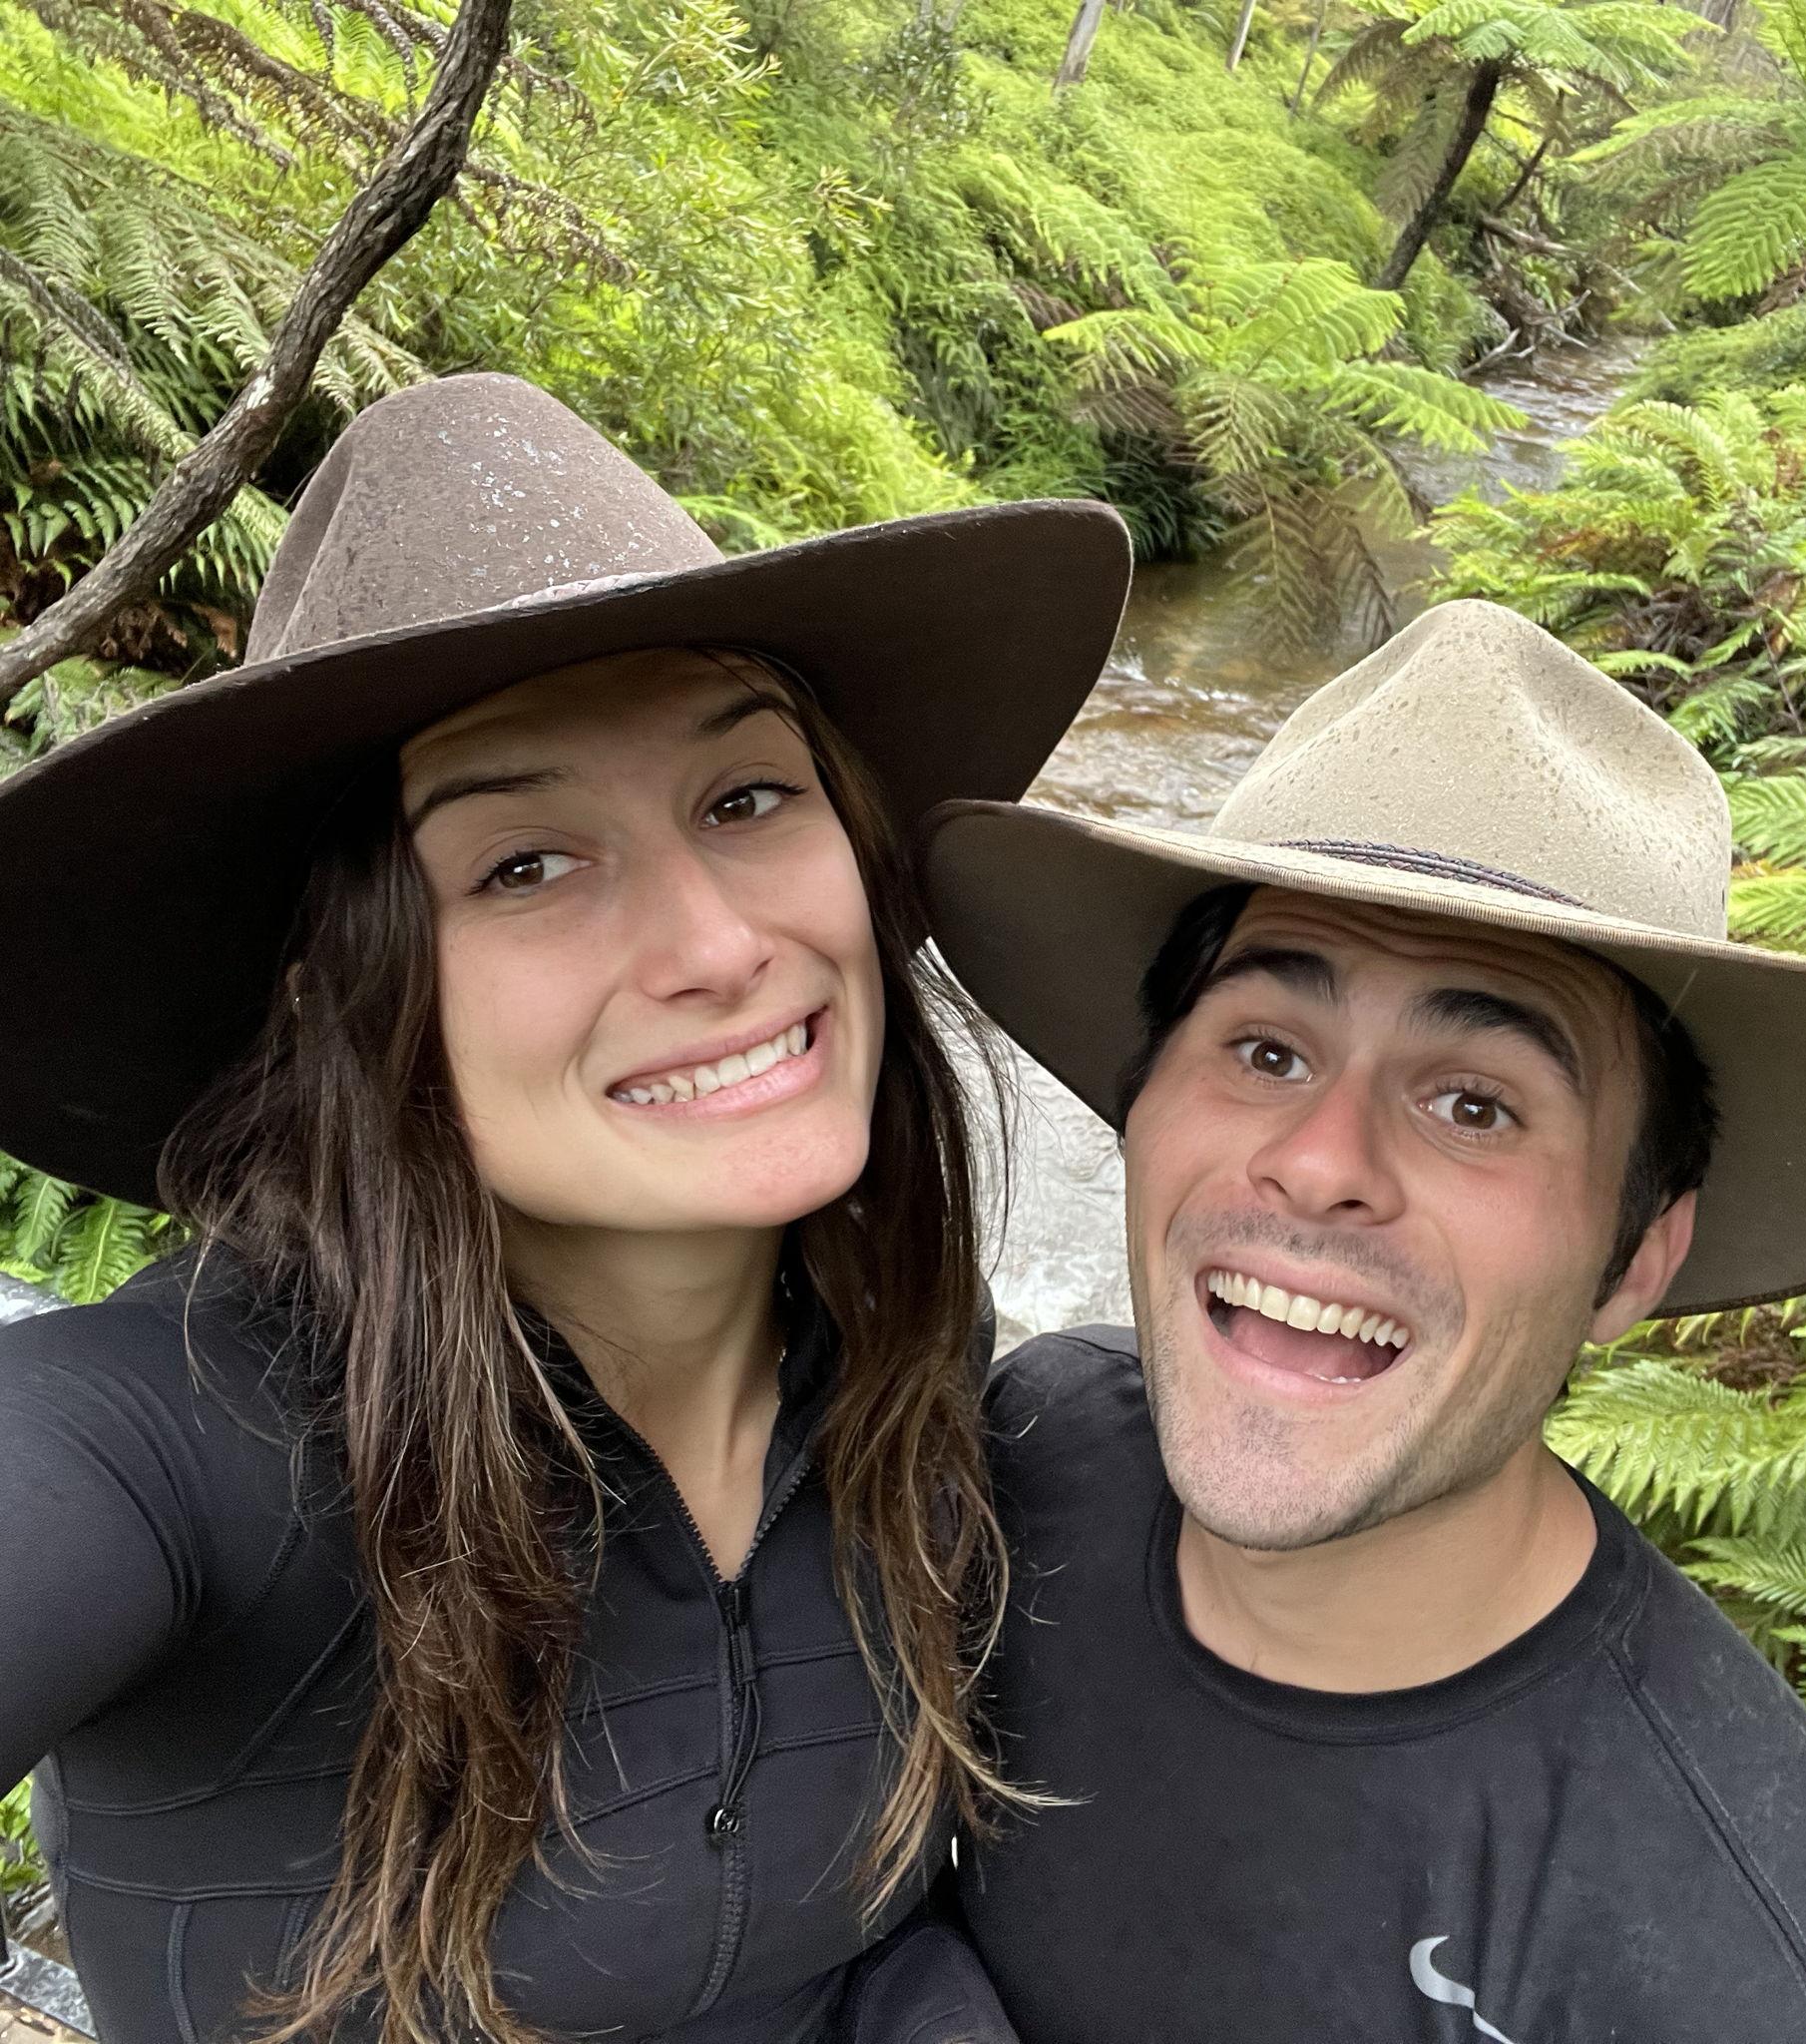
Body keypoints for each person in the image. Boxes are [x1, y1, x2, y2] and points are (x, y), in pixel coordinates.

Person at [0, 373, 1129, 2044]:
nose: (719, 947)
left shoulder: (909, 1368)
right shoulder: (166, 1448)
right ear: (338, 998)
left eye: (746, 799)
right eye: (524, 864)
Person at [918, 600, 1806, 2043]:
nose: (1320, 1162)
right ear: (1139, 1114)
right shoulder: (1029, 1451)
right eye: (1266, 1050)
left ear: (1635, 1261)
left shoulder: (1754, 1983)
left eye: (1474, 1104)